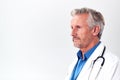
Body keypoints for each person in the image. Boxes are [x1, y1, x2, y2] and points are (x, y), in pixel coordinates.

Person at [65, 7, 120, 80]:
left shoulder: (113, 64)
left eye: (78, 27)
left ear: (95, 30)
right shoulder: (75, 63)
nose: (72, 33)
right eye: (72, 28)